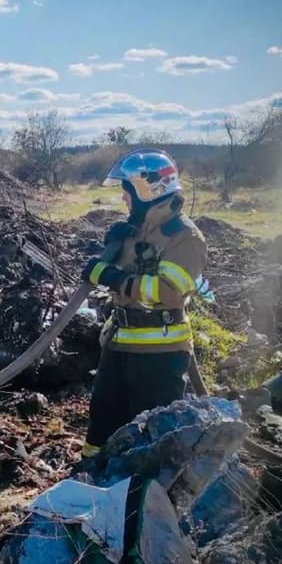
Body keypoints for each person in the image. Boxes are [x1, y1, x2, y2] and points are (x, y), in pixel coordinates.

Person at [79, 148, 208, 456]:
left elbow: (168, 292)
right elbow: (127, 270)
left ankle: (141, 485)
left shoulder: (185, 238)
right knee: (102, 423)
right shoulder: (136, 229)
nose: (124, 198)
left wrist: (112, 277)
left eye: (127, 191)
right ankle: (90, 475)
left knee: (151, 436)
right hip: (119, 344)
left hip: (159, 355)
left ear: (147, 191)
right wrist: (116, 246)